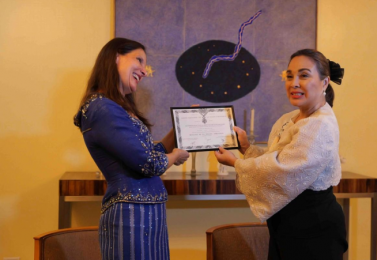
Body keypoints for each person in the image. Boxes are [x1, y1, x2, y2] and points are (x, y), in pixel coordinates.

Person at [215, 49, 348, 259]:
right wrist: (246, 148)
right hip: (287, 224)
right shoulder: (291, 117)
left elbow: (282, 170)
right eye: (289, 76)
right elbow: (276, 158)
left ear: (324, 82)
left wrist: (236, 164)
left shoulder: (319, 124)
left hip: (313, 227)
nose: (294, 83)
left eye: (304, 75)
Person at [74, 38, 189, 260]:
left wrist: (181, 126)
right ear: (115, 57)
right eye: (139, 60)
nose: (144, 71)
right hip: (131, 216)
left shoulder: (111, 107)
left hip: (144, 214)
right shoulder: (102, 107)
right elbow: (150, 163)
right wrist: (174, 156)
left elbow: (149, 152)